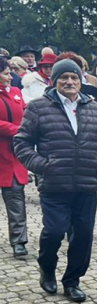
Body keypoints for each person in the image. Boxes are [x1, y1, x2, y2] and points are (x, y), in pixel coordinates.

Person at [14, 59, 97, 302]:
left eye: (74, 77)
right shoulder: (38, 107)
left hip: (86, 185)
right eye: (64, 77)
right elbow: (21, 143)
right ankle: (47, 268)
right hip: (54, 185)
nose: (70, 82)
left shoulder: (94, 108)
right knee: (54, 232)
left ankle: (72, 281)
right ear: (55, 81)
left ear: (80, 80)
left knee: (83, 236)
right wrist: (43, 166)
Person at [0, 57, 29, 259]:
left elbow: (26, 112)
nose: (10, 77)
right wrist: (17, 130)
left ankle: (19, 241)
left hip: (12, 155)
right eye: (6, 73)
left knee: (15, 198)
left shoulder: (16, 92)